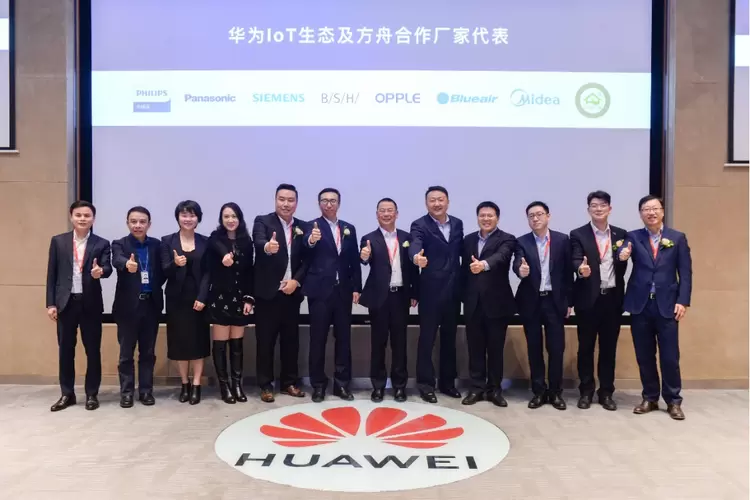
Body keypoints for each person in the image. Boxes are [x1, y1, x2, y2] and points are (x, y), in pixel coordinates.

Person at [618, 195, 692, 420]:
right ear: (640, 214)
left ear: (662, 211)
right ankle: (650, 397)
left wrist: (683, 301)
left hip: (667, 305)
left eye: (654, 208)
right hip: (640, 305)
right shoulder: (633, 237)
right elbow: (621, 255)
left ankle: (673, 400)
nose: (650, 213)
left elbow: (685, 273)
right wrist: (622, 256)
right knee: (644, 355)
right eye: (646, 209)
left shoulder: (677, 238)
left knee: (670, 356)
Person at [46, 201, 112, 412]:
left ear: (93, 219)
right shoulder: (58, 241)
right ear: (71, 216)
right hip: (65, 303)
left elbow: (108, 268)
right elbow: (52, 274)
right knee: (66, 350)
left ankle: (92, 394)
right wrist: (51, 303)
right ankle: (67, 394)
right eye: (78, 215)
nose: (83, 219)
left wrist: (100, 271)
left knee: (92, 350)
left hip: (90, 303)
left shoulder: (102, 243)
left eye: (87, 215)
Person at [570, 190, 628, 411]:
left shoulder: (621, 234)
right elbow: (576, 258)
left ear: (609, 209)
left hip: (612, 299)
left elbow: (621, 265)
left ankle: (606, 392)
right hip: (588, 300)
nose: (598, 209)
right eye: (594, 205)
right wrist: (580, 269)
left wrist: (623, 259)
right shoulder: (578, 234)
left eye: (603, 205)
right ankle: (586, 391)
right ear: (588, 209)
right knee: (585, 348)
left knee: (608, 349)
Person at [303, 188, 362, 402]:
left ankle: (342, 384)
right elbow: (304, 250)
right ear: (319, 203)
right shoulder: (310, 226)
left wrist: (357, 287)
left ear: (339, 203)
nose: (329, 204)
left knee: (343, 339)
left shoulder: (348, 228)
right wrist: (311, 240)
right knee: (317, 340)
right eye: (325, 200)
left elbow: (354, 260)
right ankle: (318, 385)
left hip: (343, 292)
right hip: (320, 292)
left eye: (333, 200)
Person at [513, 201, 573, 410]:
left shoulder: (562, 240)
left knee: (556, 348)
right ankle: (538, 391)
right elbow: (517, 262)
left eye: (539, 214)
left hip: (554, 301)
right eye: (531, 216)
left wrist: (569, 301)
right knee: (534, 347)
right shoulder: (522, 241)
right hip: (531, 301)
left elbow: (568, 273)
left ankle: (555, 392)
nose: (535, 218)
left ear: (548, 216)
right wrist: (520, 270)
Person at [252, 184, 308, 403]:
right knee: (265, 342)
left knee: (291, 342)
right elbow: (258, 241)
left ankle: (289, 382)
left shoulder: (303, 226)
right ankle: (266, 385)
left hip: (291, 293)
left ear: (296, 202)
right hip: (268, 294)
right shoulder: (263, 221)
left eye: (290, 200)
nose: (286, 204)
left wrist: (296, 281)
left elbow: (307, 260)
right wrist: (268, 247)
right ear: (275, 200)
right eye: (282, 199)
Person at [359, 198, 419, 403]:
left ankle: (399, 386)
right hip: (379, 298)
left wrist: (415, 292)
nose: (386, 214)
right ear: (377, 214)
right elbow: (364, 259)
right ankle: (378, 386)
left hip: (400, 296)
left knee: (400, 343)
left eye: (390, 210)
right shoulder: (368, 238)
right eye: (382, 211)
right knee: (378, 343)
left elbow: (413, 268)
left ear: (397, 213)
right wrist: (364, 256)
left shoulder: (407, 238)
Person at [408, 186, 463, 403]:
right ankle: (426, 385)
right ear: (426, 203)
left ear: (447, 202)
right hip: (430, 292)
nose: (437, 204)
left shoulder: (457, 223)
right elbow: (415, 245)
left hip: (453, 291)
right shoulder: (419, 225)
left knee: (450, 339)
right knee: (427, 339)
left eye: (441, 199)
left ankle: (448, 383)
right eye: (432, 200)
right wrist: (416, 258)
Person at [460, 201, 516, 407]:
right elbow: (462, 270)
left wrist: (483, 265)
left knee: (495, 350)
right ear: (477, 218)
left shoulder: (507, 239)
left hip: (497, 304)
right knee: (475, 349)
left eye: (490, 215)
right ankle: (476, 388)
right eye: (482, 215)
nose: (486, 219)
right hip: (473, 303)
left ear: (497, 218)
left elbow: (501, 257)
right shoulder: (467, 240)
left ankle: (494, 390)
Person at [111, 206, 165, 408]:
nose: (138, 225)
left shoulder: (157, 245)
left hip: (151, 305)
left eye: (142, 222)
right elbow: (117, 259)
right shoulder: (119, 244)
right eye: (133, 221)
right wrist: (127, 264)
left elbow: (163, 270)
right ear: (127, 223)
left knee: (148, 353)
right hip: (127, 308)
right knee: (126, 354)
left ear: (149, 224)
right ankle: (126, 393)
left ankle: (146, 391)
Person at [160, 200, 210, 405]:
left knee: (198, 341)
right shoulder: (167, 241)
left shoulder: (206, 242)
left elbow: (208, 273)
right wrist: (175, 264)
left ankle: (197, 384)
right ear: (178, 218)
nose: (188, 219)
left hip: (198, 299)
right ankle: (184, 383)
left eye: (192, 215)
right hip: (176, 300)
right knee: (180, 342)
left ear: (198, 218)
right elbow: (163, 270)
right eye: (184, 215)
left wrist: (203, 297)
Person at [205, 202, 255, 404]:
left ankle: (237, 384)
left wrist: (249, 298)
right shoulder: (215, 239)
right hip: (220, 298)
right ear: (221, 219)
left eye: (234, 216)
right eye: (226, 216)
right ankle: (224, 386)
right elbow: (212, 259)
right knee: (220, 344)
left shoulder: (247, 242)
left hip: (240, 298)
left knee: (237, 344)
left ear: (240, 218)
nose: (230, 220)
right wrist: (223, 258)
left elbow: (249, 271)